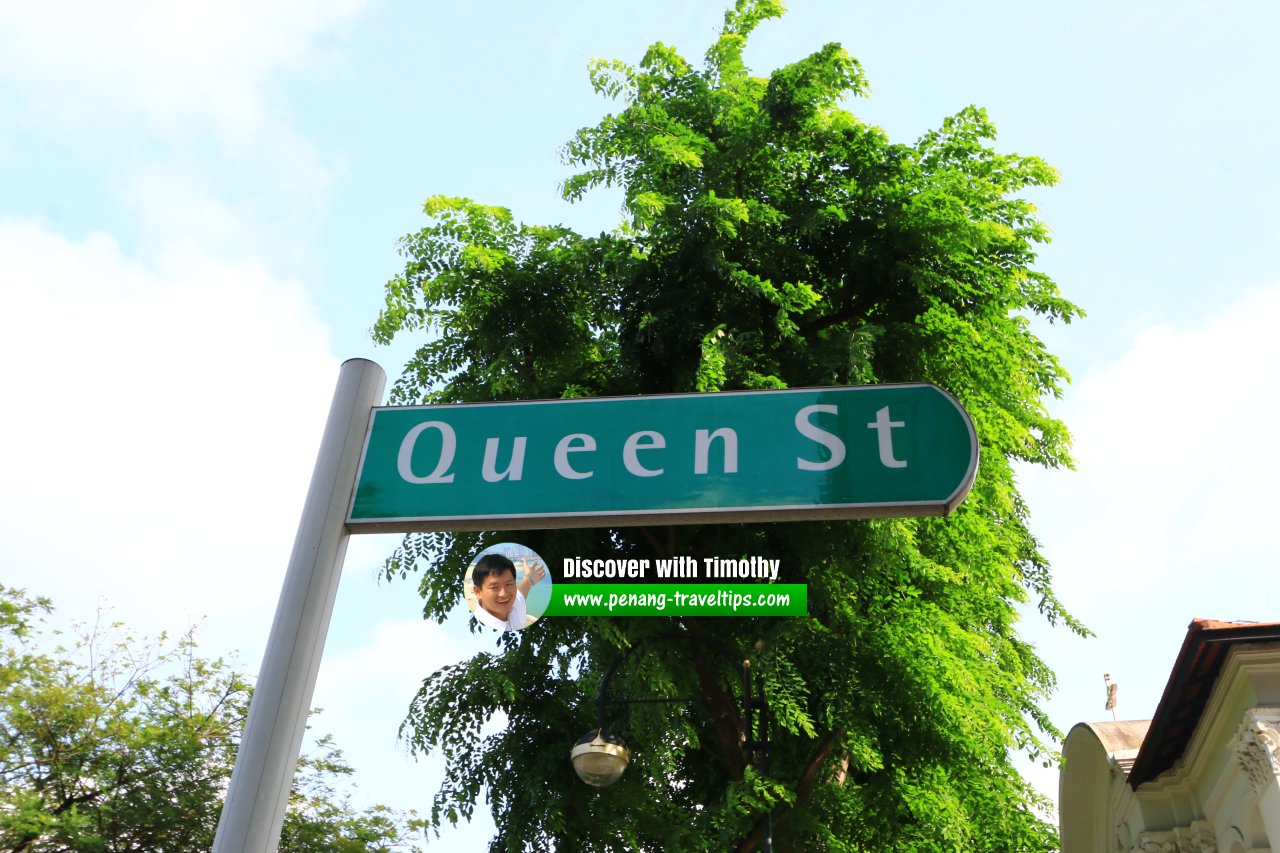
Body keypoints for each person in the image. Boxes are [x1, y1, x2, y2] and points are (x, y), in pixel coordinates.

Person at [470, 552, 546, 632]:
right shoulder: (485, 627)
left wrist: (530, 578)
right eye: (494, 587)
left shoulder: (514, 604)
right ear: (478, 592)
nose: (504, 594)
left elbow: (521, 592)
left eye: (509, 584)